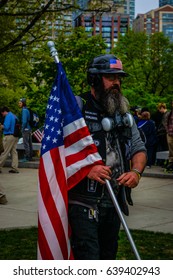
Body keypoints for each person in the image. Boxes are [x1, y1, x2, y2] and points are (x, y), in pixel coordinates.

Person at [68, 54, 147, 260]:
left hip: (114, 203)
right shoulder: (77, 108)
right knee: (88, 259)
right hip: (83, 202)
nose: (117, 83)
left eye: (119, 78)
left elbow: (139, 148)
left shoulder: (122, 112)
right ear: (94, 79)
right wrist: (87, 168)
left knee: (108, 257)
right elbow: (57, 152)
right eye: (110, 78)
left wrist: (136, 172)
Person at [0, 106, 19, 173]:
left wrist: (1, 126)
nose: (2, 114)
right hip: (15, 136)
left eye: (2, 113)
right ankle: (15, 168)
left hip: (9, 136)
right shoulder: (14, 115)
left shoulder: (8, 116)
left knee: (4, 152)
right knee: (14, 153)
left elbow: (6, 127)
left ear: (5, 111)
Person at [165, 101, 173, 172]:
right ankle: (171, 162)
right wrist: (167, 130)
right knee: (170, 147)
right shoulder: (169, 113)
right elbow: (166, 122)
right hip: (170, 133)